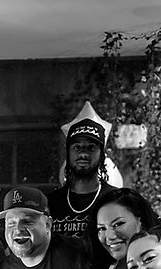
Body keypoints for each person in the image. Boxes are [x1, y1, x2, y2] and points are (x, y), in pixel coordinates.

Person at [47, 102, 118, 248]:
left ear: (102, 155)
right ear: (68, 153)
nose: (83, 153)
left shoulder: (117, 200)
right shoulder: (50, 203)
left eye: (91, 147)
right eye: (77, 147)